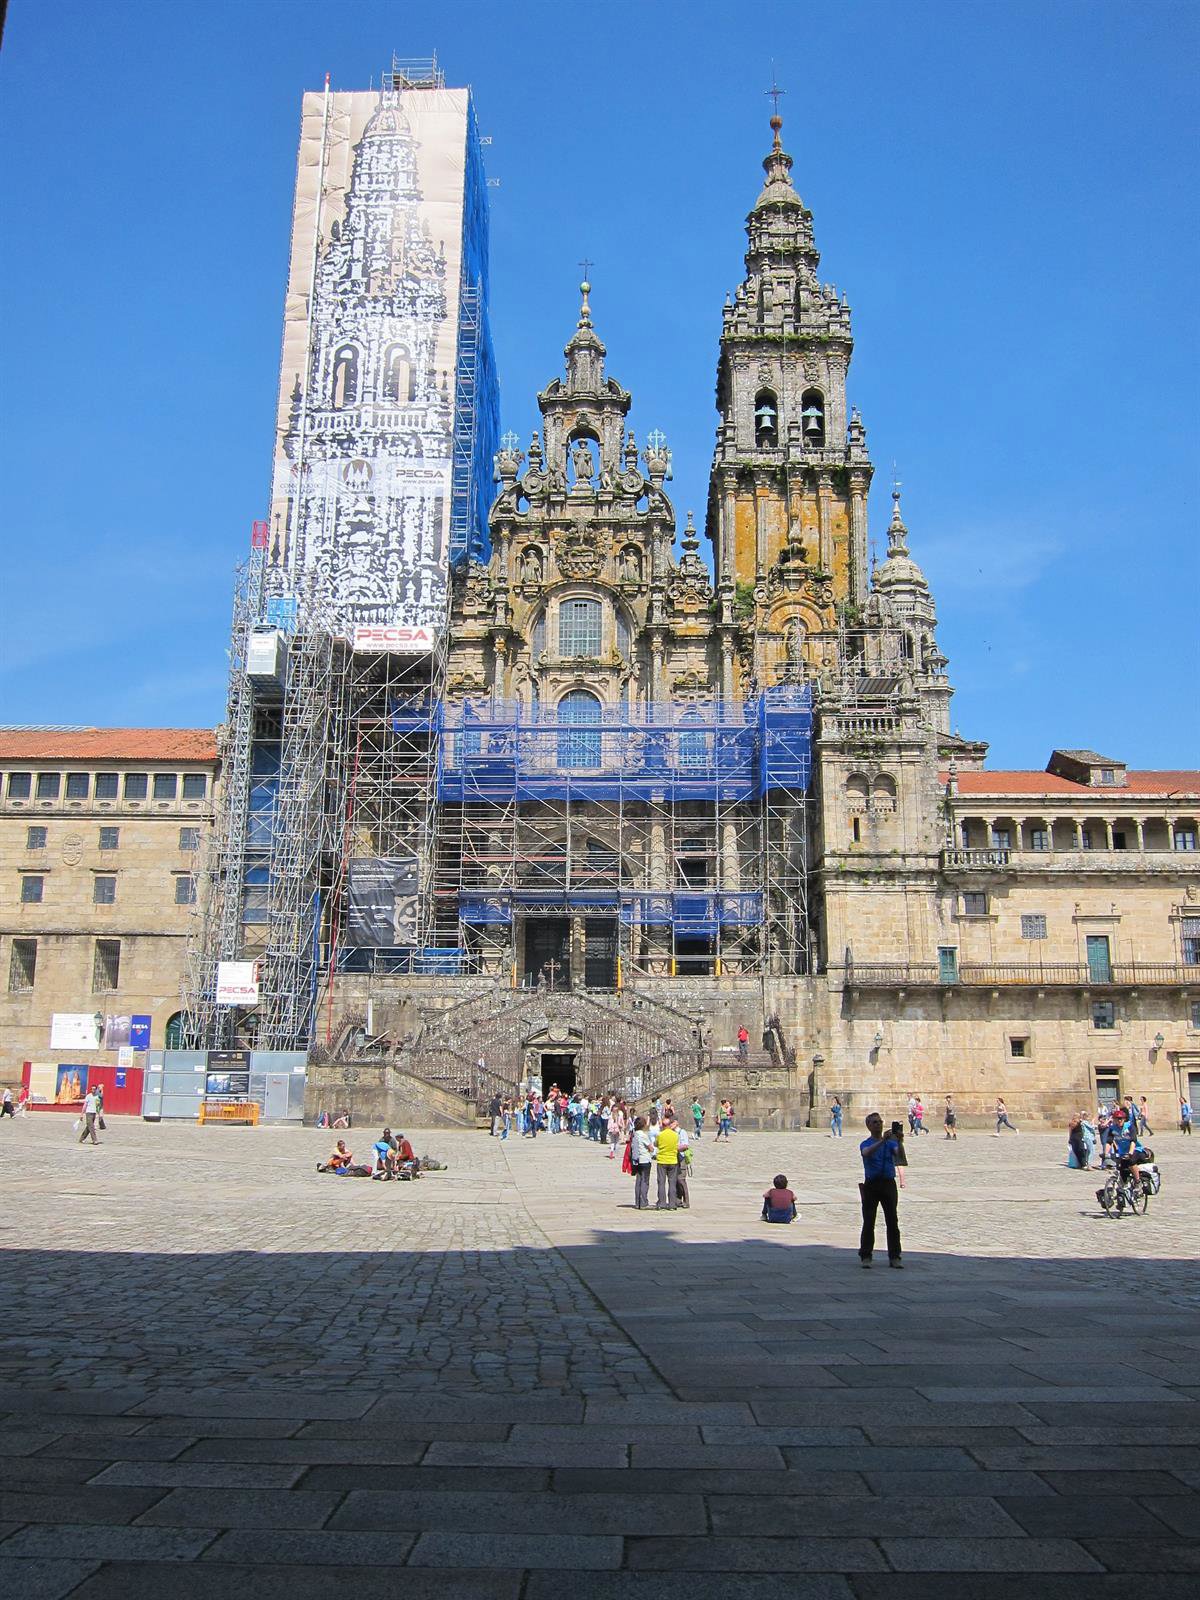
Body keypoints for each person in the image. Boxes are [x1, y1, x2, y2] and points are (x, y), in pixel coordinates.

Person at [858, 1112, 902, 1268]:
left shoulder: (890, 1143)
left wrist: (899, 1140)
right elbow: (866, 1153)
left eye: (880, 1122)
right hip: (871, 1184)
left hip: (888, 1183)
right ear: (869, 1126)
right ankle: (866, 1255)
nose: (878, 1125)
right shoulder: (866, 1143)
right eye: (875, 1122)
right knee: (869, 1221)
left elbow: (900, 1157)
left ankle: (895, 1256)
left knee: (892, 1220)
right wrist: (882, 1141)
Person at [654, 1116, 680, 1210]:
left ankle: (662, 1203)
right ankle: (672, 1204)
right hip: (673, 1160)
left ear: (663, 1125)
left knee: (661, 1182)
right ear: (669, 1125)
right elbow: (677, 1145)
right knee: (672, 1183)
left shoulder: (660, 1135)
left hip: (662, 1160)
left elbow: (656, 1144)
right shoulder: (675, 1135)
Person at [630, 1116, 654, 1210]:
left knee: (638, 1181)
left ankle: (637, 1202)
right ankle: (643, 1202)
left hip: (636, 1160)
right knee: (645, 1181)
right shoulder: (643, 1135)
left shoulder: (634, 1134)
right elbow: (651, 1148)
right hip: (645, 1160)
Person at [674, 1119, 691, 1208]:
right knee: (675, 1180)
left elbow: (685, 1145)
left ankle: (686, 1201)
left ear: (676, 1122)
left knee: (681, 1179)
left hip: (681, 1158)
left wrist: (674, 1147)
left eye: (672, 1123)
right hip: (673, 1158)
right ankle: (678, 1200)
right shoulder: (671, 1132)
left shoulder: (682, 1132)